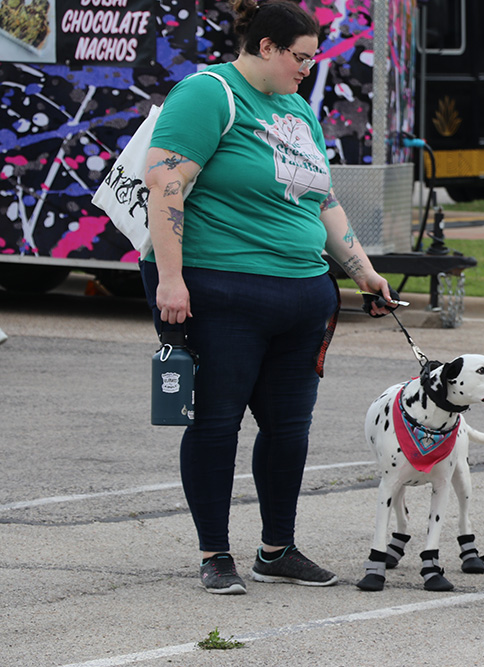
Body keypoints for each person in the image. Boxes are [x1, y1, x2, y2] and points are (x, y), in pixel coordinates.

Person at [141, 0, 396, 595]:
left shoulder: (297, 109)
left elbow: (323, 200)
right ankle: (214, 554)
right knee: (217, 423)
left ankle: (277, 549)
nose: (308, 69)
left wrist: (362, 270)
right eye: (300, 57)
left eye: (313, 58)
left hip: (302, 294)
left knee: (288, 429)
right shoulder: (208, 94)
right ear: (266, 47)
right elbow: (165, 182)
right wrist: (172, 280)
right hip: (221, 288)